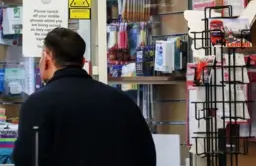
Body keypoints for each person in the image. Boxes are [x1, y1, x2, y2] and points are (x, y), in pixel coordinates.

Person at [12, 27, 156, 166]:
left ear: (47, 57)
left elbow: (27, 160)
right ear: (82, 62)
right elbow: (146, 155)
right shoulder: (123, 101)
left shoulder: (37, 104)